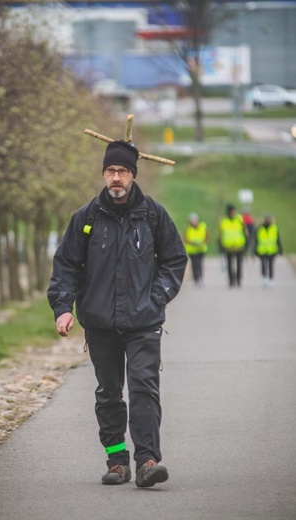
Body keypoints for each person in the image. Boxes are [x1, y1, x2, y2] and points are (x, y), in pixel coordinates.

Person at [47, 140, 188, 488]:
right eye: (111, 171)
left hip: (144, 322)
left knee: (143, 388)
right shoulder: (86, 218)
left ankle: (147, 461)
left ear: (133, 175)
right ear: (104, 174)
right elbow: (66, 265)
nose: (116, 178)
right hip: (100, 324)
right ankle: (116, 461)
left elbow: (174, 260)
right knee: (109, 393)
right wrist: (63, 308)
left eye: (122, 171)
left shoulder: (153, 215)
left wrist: (157, 299)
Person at [218, 204, 247, 287]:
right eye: (231, 211)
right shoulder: (223, 221)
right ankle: (231, 281)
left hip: (239, 246)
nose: (233, 213)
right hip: (228, 247)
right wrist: (220, 245)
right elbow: (219, 234)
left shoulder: (240, 219)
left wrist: (246, 244)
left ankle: (238, 280)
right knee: (230, 265)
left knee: (239, 265)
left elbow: (245, 232)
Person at [254, 214, 283, 287]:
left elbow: (278, 239)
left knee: (270, 265)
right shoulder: (259, 228)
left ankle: (271, 279)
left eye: (268, 219)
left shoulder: (274, 228)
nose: (267, 221)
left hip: (272, 250)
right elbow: (256, 240)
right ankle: (264, 279)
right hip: (262, 250)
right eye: (266, 219)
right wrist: (254, 250)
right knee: (263, 265)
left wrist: (280, 249)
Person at [182, 212, 209, 285]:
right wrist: (192, 243)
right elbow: (184, 238)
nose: (194, 222)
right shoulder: (187, 228)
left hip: (201, 249)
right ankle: (195, 278)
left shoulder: (203, 226)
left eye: (195, 220)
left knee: (199, 264)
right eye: (192, 220)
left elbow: (207, 236)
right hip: (192, 250)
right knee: (194, 264)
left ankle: (200, 277)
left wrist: (203, 243)